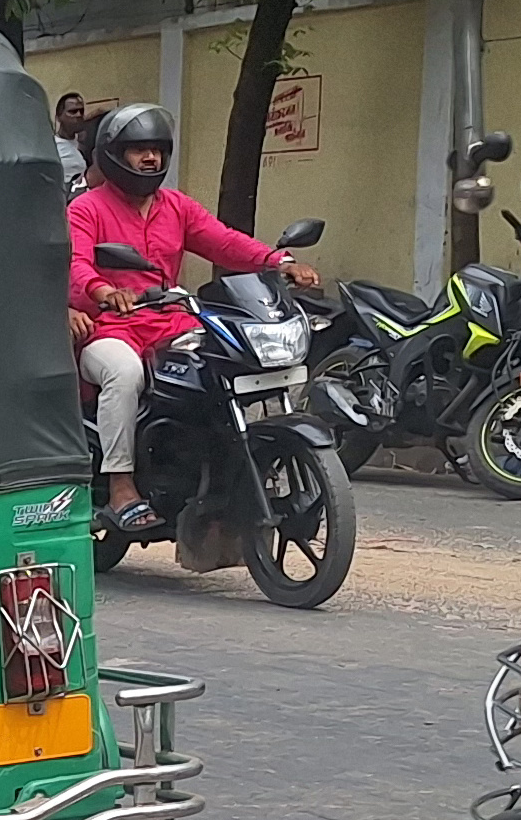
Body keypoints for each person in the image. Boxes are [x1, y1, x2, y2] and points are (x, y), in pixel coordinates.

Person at [67, 102, 320, 540]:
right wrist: (103, 291)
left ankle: (215, 470)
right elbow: (75, 262)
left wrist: (278, 262)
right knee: (124, 374)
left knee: (224, 365)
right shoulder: (88, 208)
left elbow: (224, 242)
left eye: (157, 150)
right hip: (110, 328)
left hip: (171, 323)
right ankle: (121, 488)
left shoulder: (177, 207)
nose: (150, 159)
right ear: (113, 154)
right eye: (138, 150)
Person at [52, 91, 95, 197]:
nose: (78, 115)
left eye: (81, 111)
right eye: (73, 111)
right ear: (59, 117)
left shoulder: (87, 143)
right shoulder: (52, 146)